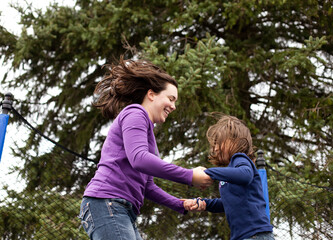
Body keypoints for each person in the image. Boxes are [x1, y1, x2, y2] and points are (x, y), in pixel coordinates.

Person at [79, 57, 213, 240]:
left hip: (120, 208)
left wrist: (180, 205)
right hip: (107, 202)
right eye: (171, 99)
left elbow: (147, 186)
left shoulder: (145, 127)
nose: (173, 106)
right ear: (152, 94)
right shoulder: (135, 113)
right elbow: (139, 159)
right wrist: (189, 176)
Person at [183, 115, 274, 240]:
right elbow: (227, 202)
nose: (215, 148)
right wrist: (205, 204)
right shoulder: (231, 171)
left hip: (255, 235)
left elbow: (246, 175)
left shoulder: (240, 158)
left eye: (218, 143)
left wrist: (209, 173)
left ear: (234, 140)